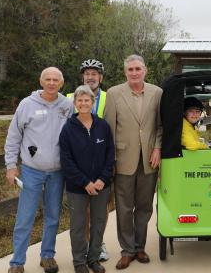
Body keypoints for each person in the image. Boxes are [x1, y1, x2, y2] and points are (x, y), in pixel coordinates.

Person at [4, 67, 73, 273]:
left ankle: (47, 256)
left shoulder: (67, 106)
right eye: (48, 79)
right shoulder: (27, 104)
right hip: (31, 171)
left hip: (58, 172)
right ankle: (17, 262)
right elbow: (13, 136)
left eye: (55, 80)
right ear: (41, 81)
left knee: (53, 216)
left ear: (61, 83)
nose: (51, 83)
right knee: (25, 217)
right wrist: (10, 166)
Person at [104, 54, 162, 270]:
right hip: (122, 160)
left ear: (145, 70)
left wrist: (157, 147)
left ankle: (140, 247)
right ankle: (127, 250)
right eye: (131, 70)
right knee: (124, 207)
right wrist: (109, 161)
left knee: (145, 207)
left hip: (149, 159)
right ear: (125, 72)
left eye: (138, 69)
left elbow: (161, 125)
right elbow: (108, 129)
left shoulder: (157, 92)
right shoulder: (114, 93)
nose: (135, 73)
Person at [60, 85, 114, 273]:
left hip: (101, 185)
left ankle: (93, 258)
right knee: (78, 225)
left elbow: (110, 155)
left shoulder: (103, 126)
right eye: (80, 100)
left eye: (87, 100)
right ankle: (79, 262)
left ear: (93, 102)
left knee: (99, 222)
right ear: (75, 103)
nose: (83, 103)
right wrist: (85, 182)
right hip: (78, 187)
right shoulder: (67, 129)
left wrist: (102, 178)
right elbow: (66, 161)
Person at [67, 59, 110, 262]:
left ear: (100, 77)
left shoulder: (110, 98)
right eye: (87, 73)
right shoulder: (69, 98)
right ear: (82, 77)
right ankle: (83, 247)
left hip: (102, 163)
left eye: (94, 73)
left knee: (100, 211)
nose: (90, 76)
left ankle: (98, 245)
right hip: (79, 165)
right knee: (81, 211)